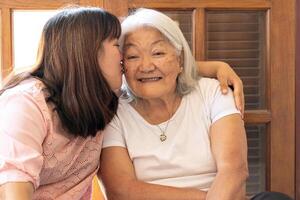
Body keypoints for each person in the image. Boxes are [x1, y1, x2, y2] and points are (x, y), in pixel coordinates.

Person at [0, 6, 245, 200]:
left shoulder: (97, 100)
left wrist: (215, 67)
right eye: (123, 50)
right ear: (88, 54)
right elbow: (14, 184)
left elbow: (157, 72)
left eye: (157, 53)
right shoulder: (28, 104)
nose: (132, 63)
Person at [99, 8, 292, 200]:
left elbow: (233, 170)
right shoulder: (114, 111)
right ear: (122, 65)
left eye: (158, 53)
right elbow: (122, 190)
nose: (146, 66)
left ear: (180, 59)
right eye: (133, 56)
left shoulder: (213, 92)